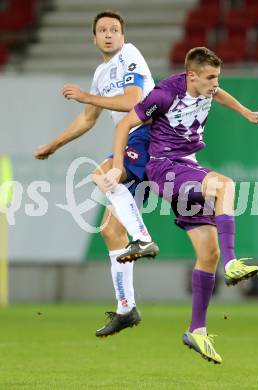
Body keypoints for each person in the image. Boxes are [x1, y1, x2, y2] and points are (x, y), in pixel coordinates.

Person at [109, 47, 258, 363]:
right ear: (191, 75)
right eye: (210, 78)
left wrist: (247, 112)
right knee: (225, 185)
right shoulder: (165, 94)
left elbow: (219, 94)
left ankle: (197, 331)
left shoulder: (206, 87)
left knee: (208, 252)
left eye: (217, 77)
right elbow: (124, 124)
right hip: (165, 167)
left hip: (186, 167)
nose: (215, 84)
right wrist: (117, 165)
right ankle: (233, 263)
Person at [34, 10, 159, 338]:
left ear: (122, 35)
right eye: (102, 30)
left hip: (148, 135)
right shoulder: (101, 73)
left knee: (103, 174)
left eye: (114, 29)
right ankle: (126, 308)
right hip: (130, 141)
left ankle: (143, 237)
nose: (108, 34)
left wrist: (86, 96)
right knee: (109, 230)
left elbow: (133, 101)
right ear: (93, 38)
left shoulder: (130, 55)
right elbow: (88, 119)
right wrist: (54, 144)